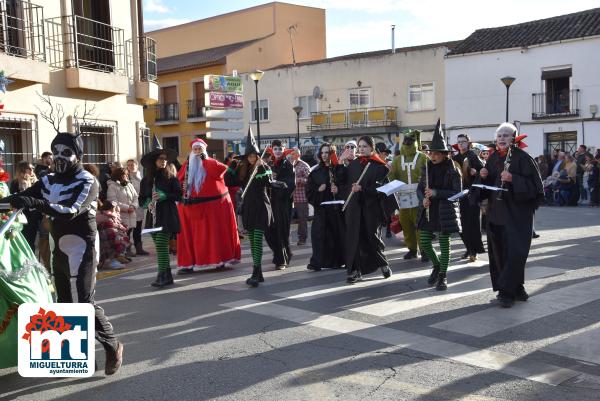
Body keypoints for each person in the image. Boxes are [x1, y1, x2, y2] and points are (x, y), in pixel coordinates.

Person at [5, 131, 123, 374]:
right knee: (64, 302)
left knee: (83, 302)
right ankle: (82, 357)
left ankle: (112, 345)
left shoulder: (88, 180)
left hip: (82, 246)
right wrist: (16, 200)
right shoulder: (48, 180)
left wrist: (36, 204)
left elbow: (71, 210)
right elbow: (17, 199)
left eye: (66, 152)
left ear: (78, 155)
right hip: (58, 245)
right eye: (55, 151)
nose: (59, 157)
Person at [479, 123, 544, 308]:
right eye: (499, 135)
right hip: (496, 214)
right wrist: (483, 176)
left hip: (517, 214)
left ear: (514, 138)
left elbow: (536, 188)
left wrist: (514, 179)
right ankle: (516, 287)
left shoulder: (523, 158)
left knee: (516, 253)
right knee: (500, 253)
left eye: (506, 135)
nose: (502, 139)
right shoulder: (491, 159)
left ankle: (506, 292)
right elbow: (484, 188)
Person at [0, 145, 54, 368]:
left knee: (31, 292)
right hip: (6, 242)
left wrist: (12, 210)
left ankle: (40, 343)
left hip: (8, 243)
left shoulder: (2, 183)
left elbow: (10, 207)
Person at [176, 138, 240, 273]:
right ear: (192, 151)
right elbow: (178, 184)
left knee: (215, 237)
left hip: (212, 209)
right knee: (190, 239)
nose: (197, 152)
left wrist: (205, 160)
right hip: (191, 210)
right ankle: (189, 264)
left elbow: (220, 171)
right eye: (195, 149)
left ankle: (220, 260)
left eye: (200, 149)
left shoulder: (211, 163)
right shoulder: (186, 166)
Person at [418, 121, 462, 290]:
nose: (432, 156)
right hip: (429, 209)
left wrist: (436, 193)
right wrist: (423, 198)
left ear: (445, 154)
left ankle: (443, 275)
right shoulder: (426, 167)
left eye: (436, 153)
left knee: (444, 243)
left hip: (445, 210)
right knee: (424, 241)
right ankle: (436, 265)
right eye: (431, 153)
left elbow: (457, 192)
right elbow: (419, 188)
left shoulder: (453, 169)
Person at [343, 136, 392, 283]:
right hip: (355, 207)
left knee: (372, 237)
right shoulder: (353, 164)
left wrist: (363, 189)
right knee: (355, 239)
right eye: (360, 146)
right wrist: (339, 163)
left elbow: (381, 190)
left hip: (371, 208)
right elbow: (343, 181)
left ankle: (383, 263)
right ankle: (355, 271)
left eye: (364, 146)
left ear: (372, 147)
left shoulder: (380, 166)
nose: (361, 149)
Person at [139, 138, 181, 287]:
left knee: (162, 244)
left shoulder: (171, 177)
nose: (163, 161)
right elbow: (141, 200)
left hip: (167, 215)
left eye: (165, 159)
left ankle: (161, 275)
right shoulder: (146, 180)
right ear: (154, 161)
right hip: (153, 217)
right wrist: (147, 203)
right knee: (159, 246)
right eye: (160, 158)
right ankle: (167, 275)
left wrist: (165, 196)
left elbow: (179, 194)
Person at [236, 128, 274, 287]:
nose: (252, 158)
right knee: (252, 242)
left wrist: (263, 167)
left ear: (257, 156)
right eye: (249, 156)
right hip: (249, 210)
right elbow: (230, 180)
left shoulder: (263, 168)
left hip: (262, 209)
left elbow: (269, 183)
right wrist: (232, 164)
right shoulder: (243, 171)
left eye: (254, 155)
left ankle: (255, 272)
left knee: (257, 240)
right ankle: (258, 274)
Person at [388, 130, 429, 261]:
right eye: (405, 141)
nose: (407, 143)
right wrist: (387, 174)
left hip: (420, 198)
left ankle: (425, 250)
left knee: (421, 225)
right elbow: (391, 177)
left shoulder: (423, 158)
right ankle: (412, 249)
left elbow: (430, 176)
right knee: (406, 225)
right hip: (402, 199)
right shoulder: (397, 160)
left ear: (415, 142)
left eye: (410, 141)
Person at [306, 142, 346, 271]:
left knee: (336, 235)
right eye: (322, 152)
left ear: (332, 154)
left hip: (337, 210)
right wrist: (319, 190)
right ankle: (317, 262)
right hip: (321, 210)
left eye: (327, 152)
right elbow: (309, 192)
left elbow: (347, 185)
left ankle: (338, 261)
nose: (324, 155)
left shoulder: (339, 169)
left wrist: (338, 190)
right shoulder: (315, 172)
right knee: (319, 235)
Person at [453, 134, 485, 262]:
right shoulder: (455, 158)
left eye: (463, 141)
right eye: (459, 142)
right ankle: (468, 248)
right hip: (459, 195)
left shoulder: (473, 156)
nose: (461, 144)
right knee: (461, 225)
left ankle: (474, 250)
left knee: (473, 224)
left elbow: (483, 172)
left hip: (472, 195)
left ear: (468, 143)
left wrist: (475, 172)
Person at [264, 139, 295, 270]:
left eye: (279, 149)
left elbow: (290, 185)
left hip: (282, 204)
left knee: (281, 231)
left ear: (283, 150)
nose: (277, 151)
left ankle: (282, 258)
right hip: (270, 203)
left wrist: (276, 182)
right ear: (272, 150)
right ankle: (281, 254)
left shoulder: (287, 165)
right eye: (275, 149)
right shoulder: (268, 164)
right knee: (269, 231)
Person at [9, 161, 42, 252]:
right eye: (29, 168)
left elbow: (39, 197)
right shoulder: (15, 183)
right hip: (21, 215)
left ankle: (31, 261)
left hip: (33, 215)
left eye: (33, 168)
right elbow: (13, 197)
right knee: (22, 240)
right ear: (22, 170)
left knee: (31, 240)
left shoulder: (36, 182)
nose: (32, 170)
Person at [107, 167, 138, 258]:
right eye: (125, 175)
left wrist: (133, 206)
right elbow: (112, 201)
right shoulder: (112, 186)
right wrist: (127, 208)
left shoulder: (129, 185)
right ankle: (121, 253)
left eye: (127, 175)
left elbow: (136, 197)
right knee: (121, 235)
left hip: (131, 214)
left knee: (128, 234)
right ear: (119, 176)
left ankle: (127, 251)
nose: (127, 177)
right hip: (121, 215)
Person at [96, 200, 131, 269]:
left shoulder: (113, 215)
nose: (114, 210)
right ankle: (111, 261)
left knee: (121, 240)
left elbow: (118, 224)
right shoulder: (102, 215)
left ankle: (117, 257)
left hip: (113, 235)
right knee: (114, 245)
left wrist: (122, 227)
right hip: (106, 237)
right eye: (113, 209)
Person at [127, 159, 149, 255]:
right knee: (128, 229)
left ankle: (138, 247)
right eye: (129, 165)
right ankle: (127, 249)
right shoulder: (126, 178)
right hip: (129, 206)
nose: (131, 167)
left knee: (138, 228)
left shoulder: (141, 178)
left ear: (136, 166)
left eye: (132, 165)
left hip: (139, 207)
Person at [291, 148, 310, 245]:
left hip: (301, 197)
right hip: (291, 197)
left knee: (302, 219)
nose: (291, 155)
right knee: (293, 219)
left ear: (298, 155)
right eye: (291, 154)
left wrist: (298, 179)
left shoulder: (304, 165)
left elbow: (310, 181)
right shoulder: (291, 164)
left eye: (293, 154)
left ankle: (302, 239)